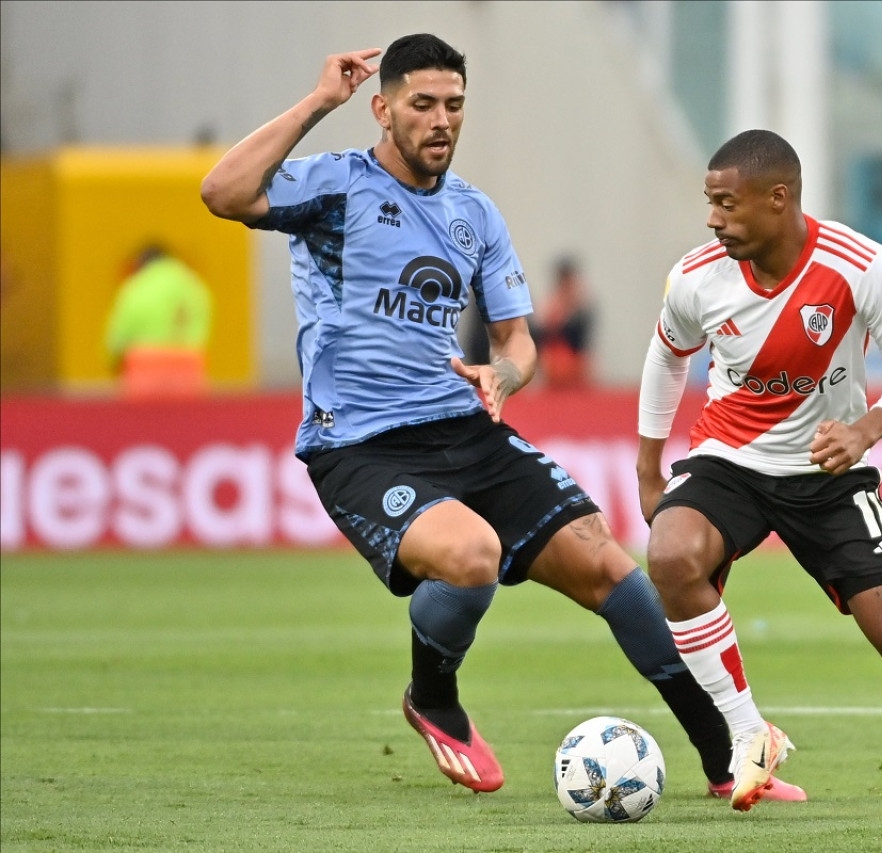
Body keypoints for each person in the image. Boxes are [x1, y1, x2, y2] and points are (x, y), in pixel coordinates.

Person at [199, 34, 803, 803]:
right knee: (473, 553)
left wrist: (504, 373)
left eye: (453, 105)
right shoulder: (333, 188)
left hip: (465, 426)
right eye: (422, 105)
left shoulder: (473, 213)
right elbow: (222, 192)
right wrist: (321, 101)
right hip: (360, 444)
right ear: (381, 110)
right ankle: (434, 698)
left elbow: (518, 340)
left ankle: (727, 765)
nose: (441, 120)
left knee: (615, 571)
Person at [636, 129, 882, 816]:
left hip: (827, 474)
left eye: (727, 204)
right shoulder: (696, 276)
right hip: (728, 460)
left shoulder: (860, 266)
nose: (713, 218)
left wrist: (867, 428)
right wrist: (649, 465)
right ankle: (748, 734)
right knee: (671, 555)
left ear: (779, 198)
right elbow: (668, 355)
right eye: (710, 203)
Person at [103, 243, 212, 394]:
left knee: (144, 417)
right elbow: (203, 319)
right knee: (186, 416)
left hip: (144, 364)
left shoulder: (136, 285)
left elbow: (119, 331)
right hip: (186, 363)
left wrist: (111, 359)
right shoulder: (192, 284)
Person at [531, 255, 595, 388]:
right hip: (554, 361)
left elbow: (583, 340)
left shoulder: (581, 305)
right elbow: (543, 331)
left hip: (575, 360)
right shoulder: (553, 303)